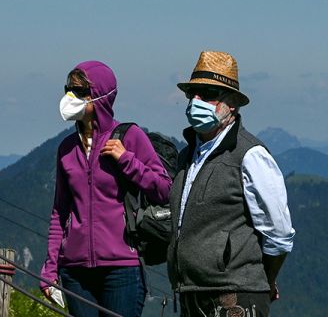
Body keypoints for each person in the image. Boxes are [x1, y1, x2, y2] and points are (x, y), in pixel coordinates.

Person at [168, 51, 295, 317]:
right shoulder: (186, 156)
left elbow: (279, 233)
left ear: (232, 103)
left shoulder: (251, 155)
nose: (196, 100)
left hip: (235, 297)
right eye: (192, 93)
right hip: (191, 294)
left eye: (209, 93)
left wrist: (265, 279)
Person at [41, 60, 172, 317]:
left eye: (79, 91)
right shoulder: (66, 149)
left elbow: (165, 189)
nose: (70, 97)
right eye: (67, 89)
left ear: (101, 97)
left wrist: (127, 161)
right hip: (75, 271)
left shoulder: (130, 137)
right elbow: (60, 211)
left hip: (121, 269)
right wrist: (50, 268)